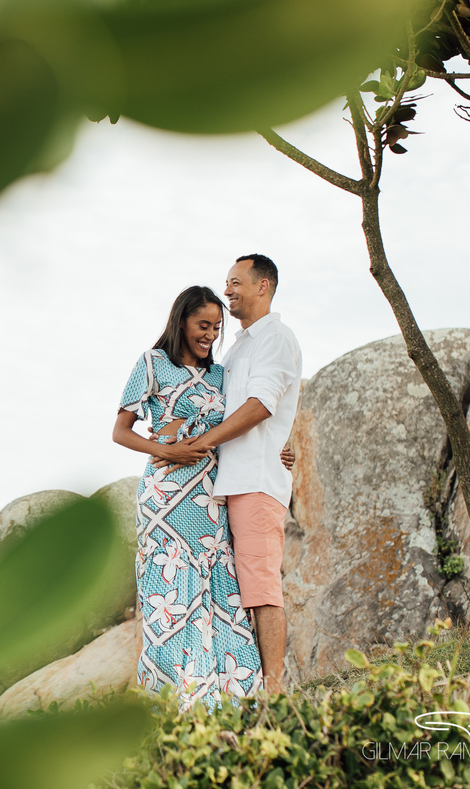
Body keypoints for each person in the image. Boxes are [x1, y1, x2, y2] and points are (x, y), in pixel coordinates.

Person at [112, 285, 270, 710]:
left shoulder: (222, 376)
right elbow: (121, 431)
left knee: (220, 593)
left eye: (217, 328)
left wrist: (279, 448)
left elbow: (247, 421)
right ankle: (174, 704)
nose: (210, 335)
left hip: (209, 498)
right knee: (172, 596)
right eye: (203, 325)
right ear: (181, 320)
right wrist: (168, 449)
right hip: (165, 499)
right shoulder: (152, 363)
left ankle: (233, 703)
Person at [153, 255, 302, 694]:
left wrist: (203, 443)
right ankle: (239, 688)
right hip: (225, 485)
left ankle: (274, 694)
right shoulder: (237, 347)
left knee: (260, 589)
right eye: (226, 282)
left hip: (254, 483)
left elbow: (261, 406)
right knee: (233, 596)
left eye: (236, 282)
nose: (229, 290)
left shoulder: (275, 338)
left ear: (264, 286)